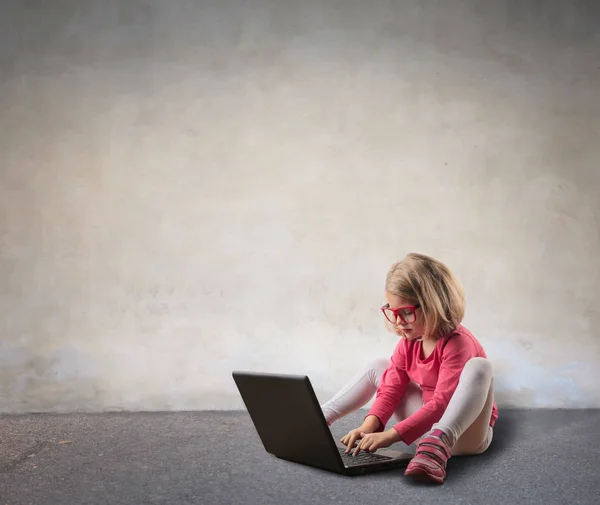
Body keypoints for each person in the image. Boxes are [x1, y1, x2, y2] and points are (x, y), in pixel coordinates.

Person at [320, 253, 498, 484]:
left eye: (406, 312)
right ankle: (319, 417)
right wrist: (368, 427)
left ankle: (437, 446)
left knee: (480, 367)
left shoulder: (457, 342)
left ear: (435, 305)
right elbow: (391, 389)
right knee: (380, 367)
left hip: (464, 435)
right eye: (392, 312)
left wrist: (392, 435)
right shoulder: (408, 343)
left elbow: (441, 403)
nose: (398, 321)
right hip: (425, 432)